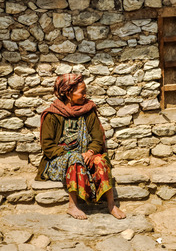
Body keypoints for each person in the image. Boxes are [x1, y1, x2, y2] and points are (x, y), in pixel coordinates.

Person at [36, 74, 126, 220]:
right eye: (81, 92)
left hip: (86, 155)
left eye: (85, 91)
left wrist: (90, 152)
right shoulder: (52, 115)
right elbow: (48, 146)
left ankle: (111, 205)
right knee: (75, 160)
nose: (85, 95)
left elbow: (97, 138)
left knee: (101, 161)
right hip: (59, 159)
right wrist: (70, 154)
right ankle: (73, 206)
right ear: (68, 93)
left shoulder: (88, 110)